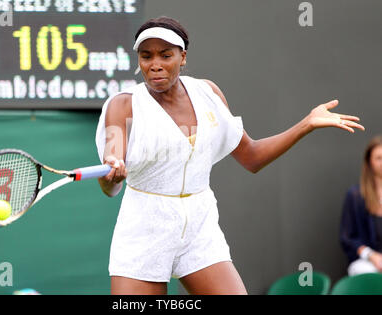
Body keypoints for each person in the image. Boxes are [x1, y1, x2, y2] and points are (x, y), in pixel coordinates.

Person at [95, 16, 365, 295]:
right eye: (146, 56)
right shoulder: (123, 105)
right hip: (144, 228)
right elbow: (111, 180)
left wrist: (306, 124)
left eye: (166, 55)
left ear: (183, 57)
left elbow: (252, 157)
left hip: (200, 226)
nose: (155, 65)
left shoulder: (208, 93)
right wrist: (112, 174)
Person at [340, 135, 382, 276]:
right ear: (369, 162)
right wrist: (371, 255)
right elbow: (347, 238)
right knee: (367, 273)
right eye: (379, 158)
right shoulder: (356, 195)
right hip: (366, 262)